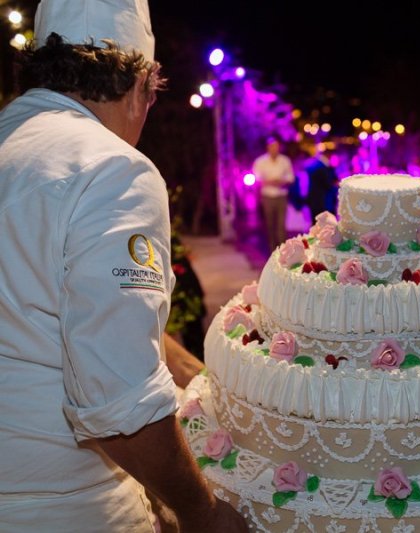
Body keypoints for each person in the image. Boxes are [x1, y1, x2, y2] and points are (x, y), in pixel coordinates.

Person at [0, 1, 246, 531]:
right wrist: (202, 513)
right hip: (61, 507)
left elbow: (58, 310)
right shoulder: (112, 169)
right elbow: (120, 408)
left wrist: (201, 377)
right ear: (141, 86)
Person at [253, 137, 295, 253]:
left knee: (281, 226)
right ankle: (272, 250)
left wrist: (279, 181)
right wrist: (271, 181)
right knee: (270, 225)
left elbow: (291, 177)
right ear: (268, 147)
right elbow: (257, 179)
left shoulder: (285, 160)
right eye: (272, 147)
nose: (274, 149)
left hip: (281, 196)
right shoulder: (260, 161)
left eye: (277, 147)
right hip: (267, 197)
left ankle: (282, 252)